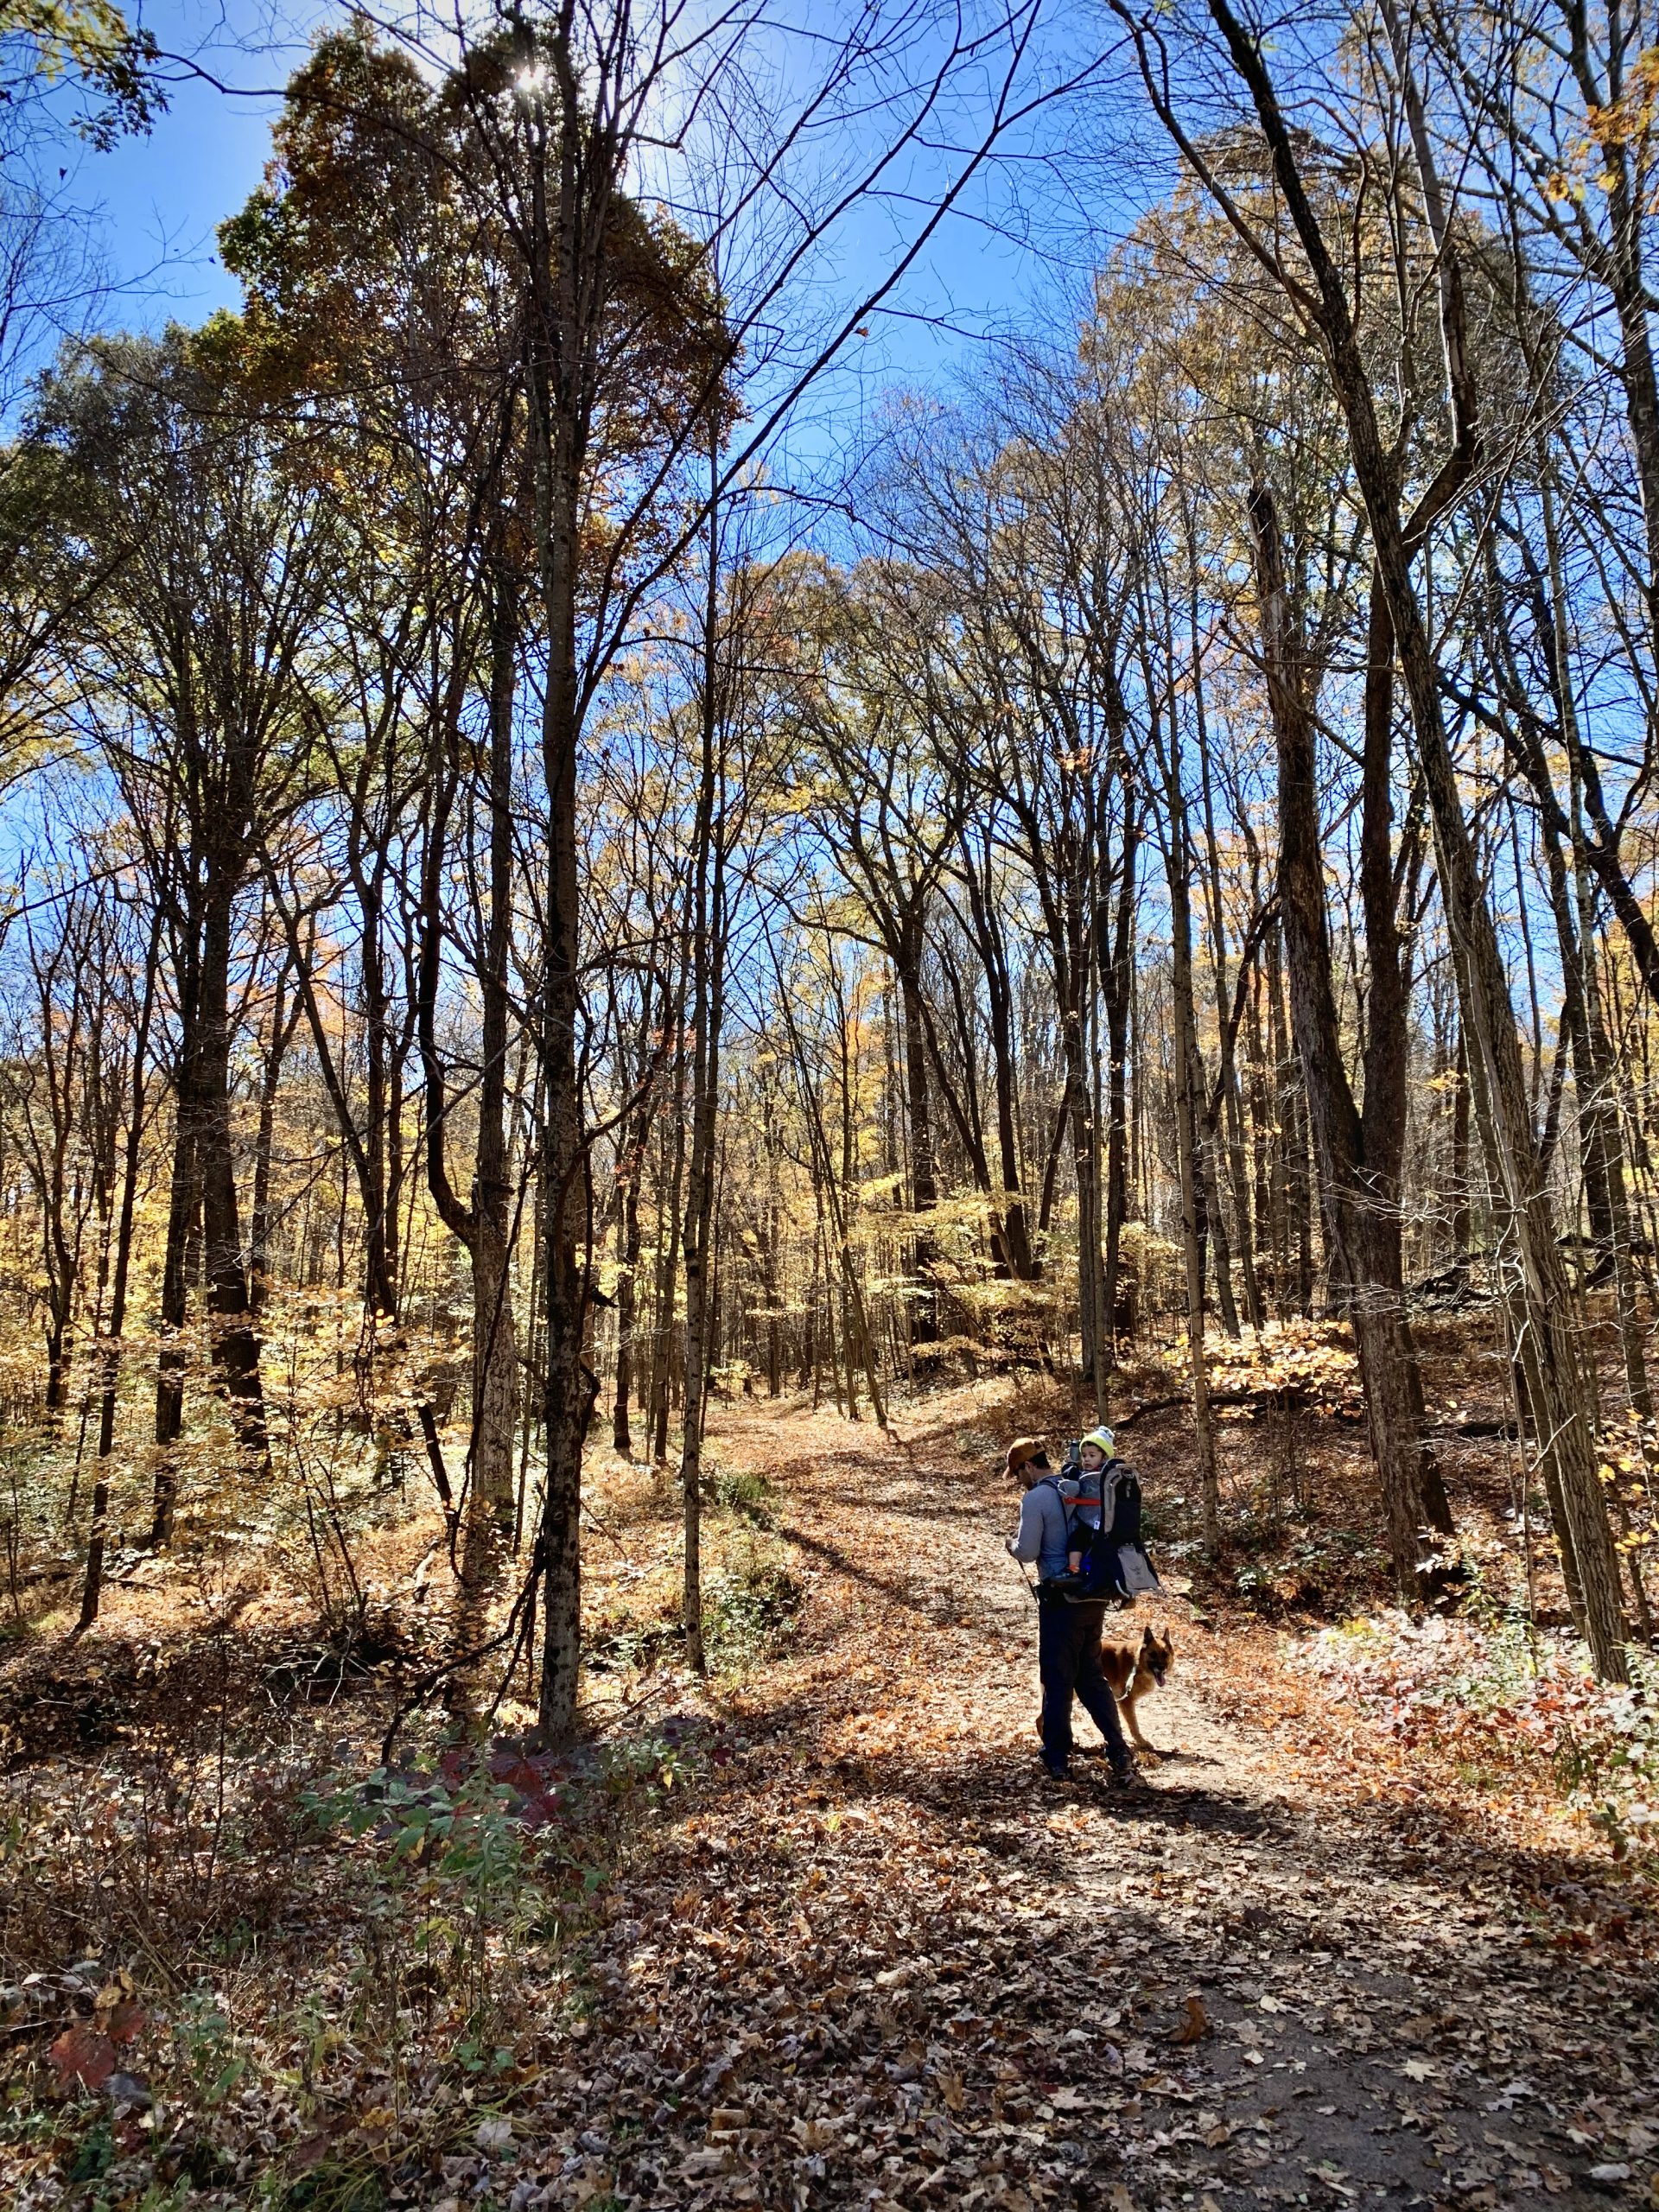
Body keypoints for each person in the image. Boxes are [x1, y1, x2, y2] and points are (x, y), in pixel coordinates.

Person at [1005, 1439, 1134, 1785]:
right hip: (1096, 1594)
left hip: (1061, 1600)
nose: (1019, 1480)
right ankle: (1119, 1749)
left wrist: (1010, 1545)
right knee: (1091, 1675)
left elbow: (1028, 1551)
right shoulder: (1079, 1483)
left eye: (1018, 1473)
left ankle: (1057, 1756)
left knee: (1058, 1677)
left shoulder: (1036, 1498)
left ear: (1029, 1466)